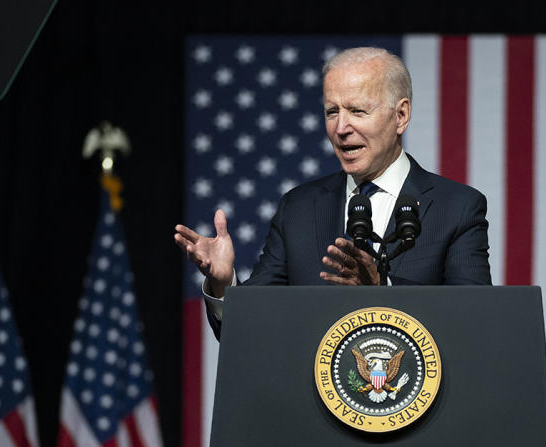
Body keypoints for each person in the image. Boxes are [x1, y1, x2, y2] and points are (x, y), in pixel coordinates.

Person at [174, 47, 491, 329]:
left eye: (357, 111)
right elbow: (250, 331)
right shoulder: (298, 208)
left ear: (401, 116)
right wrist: (222, 283)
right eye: (332, 112)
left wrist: (385, 289)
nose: (341, 128)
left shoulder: (457, 208)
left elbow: (476, 322)